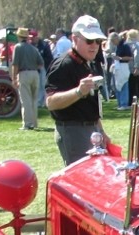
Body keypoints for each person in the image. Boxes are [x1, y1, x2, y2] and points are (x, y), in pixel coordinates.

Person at [45, 15, 109, 166]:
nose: (94, 45)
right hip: (73, 131)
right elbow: (50, 102)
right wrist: (78, 92)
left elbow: (91, 102)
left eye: (98, 41)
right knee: (81, 181)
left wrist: (101, 131)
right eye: (89, 41)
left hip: (91, 129)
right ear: (75, 39)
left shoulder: (87, 63)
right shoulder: (63, 64)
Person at [11, 27, 44, 130]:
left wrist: (14, 78)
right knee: (34, 99)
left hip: (24, 73)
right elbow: (41, 64)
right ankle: (34, 122)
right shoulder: (34, 48)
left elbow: (15, 64)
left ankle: (27, 123)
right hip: (35, 73)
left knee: (25, 100)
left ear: (19, 37)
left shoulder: (18, 47)